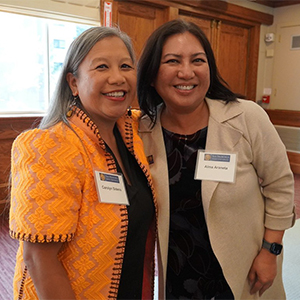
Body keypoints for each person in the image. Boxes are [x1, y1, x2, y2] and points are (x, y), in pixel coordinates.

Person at [137, 19, 295, 299]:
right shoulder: (141, 131)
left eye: (197, 60)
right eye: (173, 61)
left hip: (245, 271)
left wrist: (271, 251)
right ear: (151, 74)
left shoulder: (246, 117)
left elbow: (280, 186)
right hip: (176, 275)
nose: (186, 72)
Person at [9, 26, 157, 299]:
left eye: (125, 66)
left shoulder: (133, 133)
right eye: (101, 67)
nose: (117, 77)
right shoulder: (50, 146)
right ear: (73, 82)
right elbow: (38, 259)